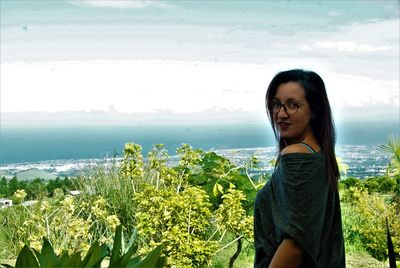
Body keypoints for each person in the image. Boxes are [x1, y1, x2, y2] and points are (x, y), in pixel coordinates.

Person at [254, 69, 345, 267]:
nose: (281, 113)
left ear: (314, 110)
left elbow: (294, 245)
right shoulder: (318, 154)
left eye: (293, 105)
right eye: (277, 104)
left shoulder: (297, 156)